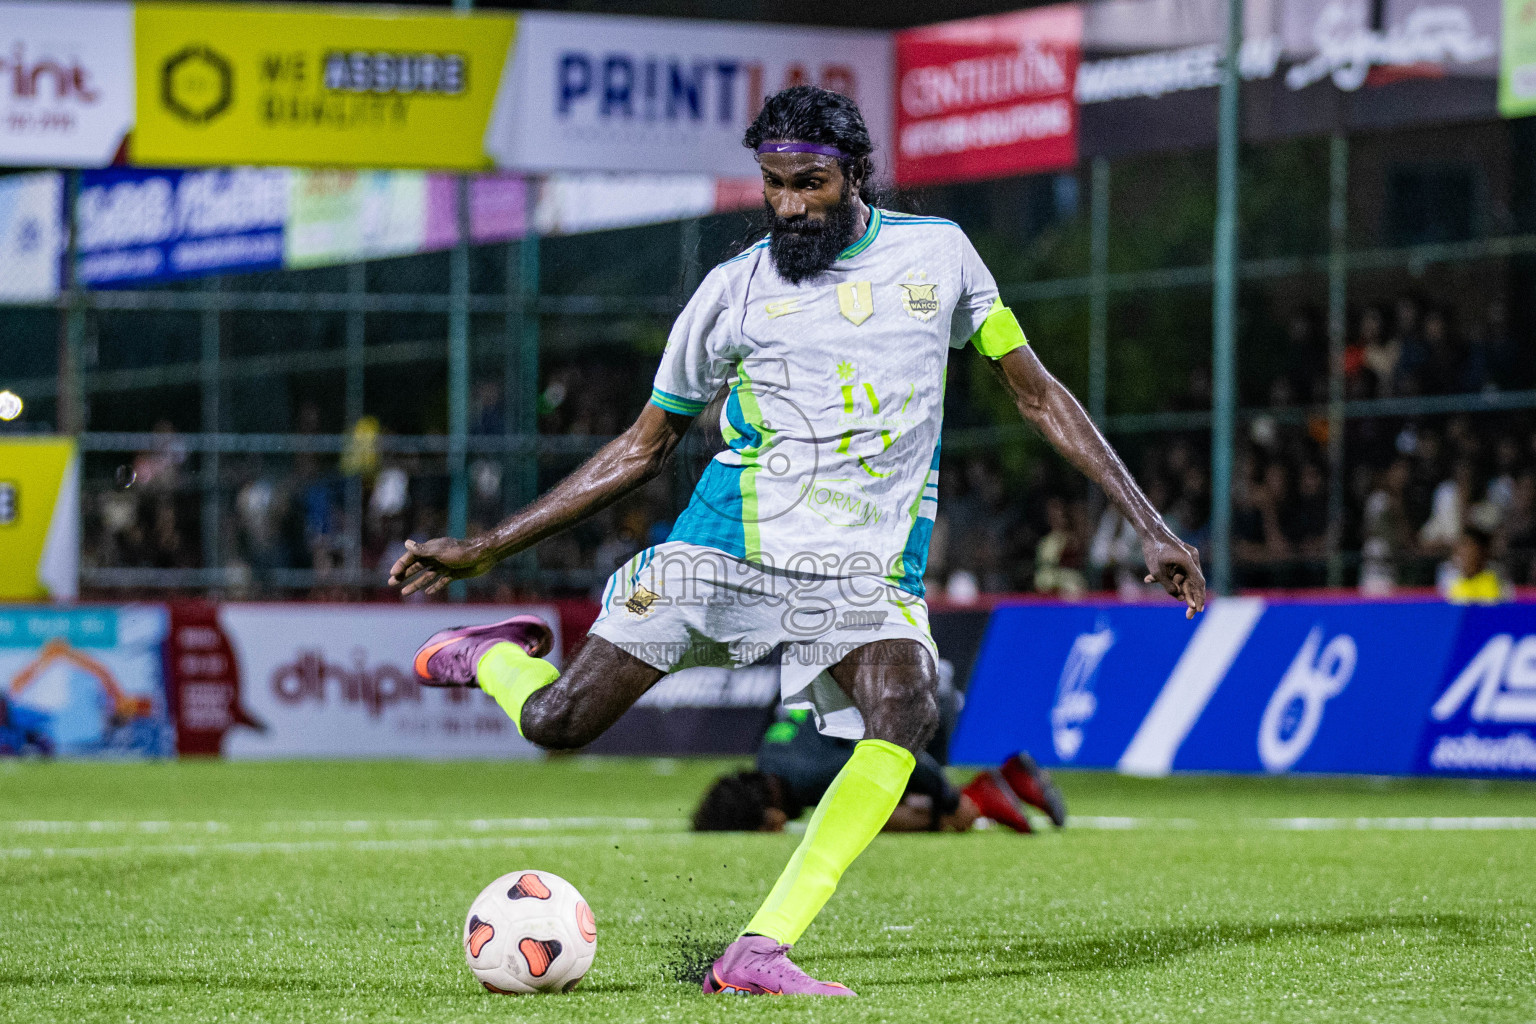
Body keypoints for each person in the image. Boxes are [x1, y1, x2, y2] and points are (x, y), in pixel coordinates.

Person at [391, 85, 1205, 997]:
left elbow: (1036, 391)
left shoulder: (941, 257)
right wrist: (489, 548)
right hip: (727, 550)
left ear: (856, 173)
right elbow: (642, 446)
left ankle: (757, 951)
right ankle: (491, 658)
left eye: (808, 182)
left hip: (864, 571)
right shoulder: (731, 292)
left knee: (907, 707)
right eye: (774, 183)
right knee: (557, 724)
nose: (788, 204)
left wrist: (1150, 521)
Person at [693, 704, 1066, 836]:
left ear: (767, 817)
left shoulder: (808, 779)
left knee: (858, 818)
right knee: (859, 803)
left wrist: (950, 801)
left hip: (920, 705)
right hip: (908, 690)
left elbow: (901, 754)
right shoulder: (771, 757)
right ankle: (1009, 779)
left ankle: (983, 798)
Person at [1441, 526, 1510, 605]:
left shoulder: (1498, 582)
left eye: (1469, 550)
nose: (1463, 556)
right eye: (1460, 550)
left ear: (1482, 552)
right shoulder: (1449, 583)